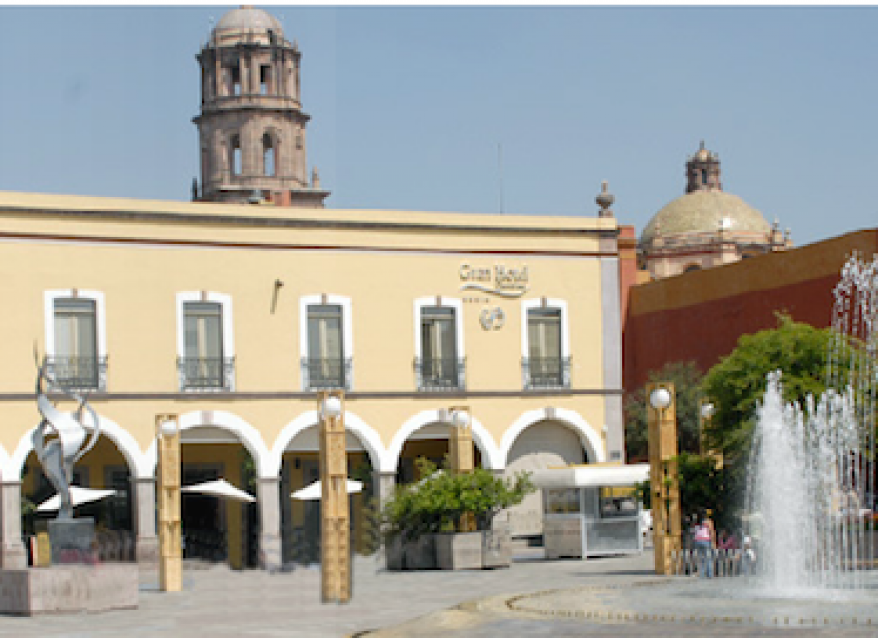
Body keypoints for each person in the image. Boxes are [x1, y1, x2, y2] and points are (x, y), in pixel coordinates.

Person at [693, 511, 716, 578]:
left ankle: (702, 574)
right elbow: (711, 532)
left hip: (697, 541)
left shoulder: (696, 522)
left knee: (701, 558)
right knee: (708, 558)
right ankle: (710, 574)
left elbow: (695, 532)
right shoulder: (708, 521)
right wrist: (713, 542)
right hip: (705, 540)